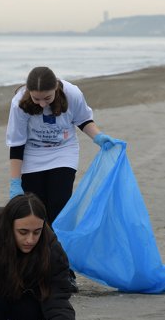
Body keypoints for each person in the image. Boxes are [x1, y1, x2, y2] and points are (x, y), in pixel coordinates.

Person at [6, 66, 116, 223]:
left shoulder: (72, 93)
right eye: (36, 99)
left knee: (59, 205)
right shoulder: (19, 103)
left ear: (56, 88)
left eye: (47, 98)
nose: (42, 104)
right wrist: (15, 182)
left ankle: (56, 244)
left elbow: (83, 120)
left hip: (63, 151)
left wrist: (98, 137)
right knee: (36, 208)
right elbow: (17, 144)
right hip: (32, 153)